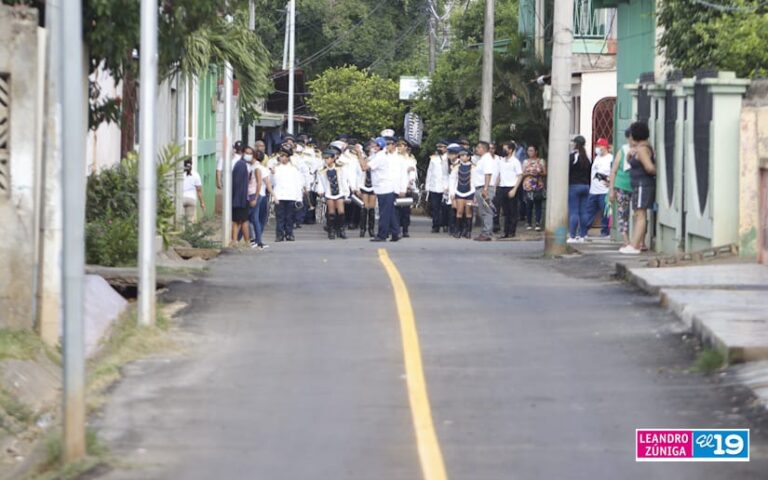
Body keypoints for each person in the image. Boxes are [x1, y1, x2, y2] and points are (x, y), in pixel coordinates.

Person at [620, 121, 656, 255]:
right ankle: (636, 244)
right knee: (638, 214)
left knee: (640, 215)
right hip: (638, 184)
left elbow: (649, 167)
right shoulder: (640, 148)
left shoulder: (642, 150)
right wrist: (630, 156)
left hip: (642, 184)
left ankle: (635, 245)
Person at [358, 130, 401, 242]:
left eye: (375, 145)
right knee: (390, 212)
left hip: (384, 187)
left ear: (379, 146)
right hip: (383, 187)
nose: (372, 146)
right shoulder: (377, 156)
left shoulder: (380, 157)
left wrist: (359, 154)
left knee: (384, 213)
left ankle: (382, 234)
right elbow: (367, 161)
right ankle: (395, 232)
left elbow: (364, 167)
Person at [316, 149, 351, 240]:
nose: (326, 160)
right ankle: (331, 231)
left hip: (340, 192)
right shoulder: (321, 170)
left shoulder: (341, 168)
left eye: (328, 158)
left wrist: (347, 193)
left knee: (341, 212)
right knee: (331, 213)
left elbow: (344, 180)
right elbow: (320, 182)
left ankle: (341, 230)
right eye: (325, 159)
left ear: (333, 158)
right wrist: (320, 190)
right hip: (329, 192)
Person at [584, 137, 613, 239]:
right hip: (593, 190)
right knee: (589, 211)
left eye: (599, 146)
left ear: (604, 147)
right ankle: (583, 231)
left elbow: (613, 173)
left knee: (605, 213)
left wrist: (610, 183)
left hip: (604, 191)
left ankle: (606, 232)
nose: (597, 148)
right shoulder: (596, 158)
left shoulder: (610, 158)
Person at [271, 149, 303, 242]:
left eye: (284, 156)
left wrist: (299, 197)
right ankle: (279, 234)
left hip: (291, 195)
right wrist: (272, 174)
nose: (282, 158)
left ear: (288, 157)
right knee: (280, 216)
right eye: (281, 156)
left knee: (289, 217)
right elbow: (273, 183)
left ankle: (289, 234)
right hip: (279, 195)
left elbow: (298, 183)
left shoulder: (294, 169)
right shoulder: (276, 168)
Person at [609, 128, 633, 247]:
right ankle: (626, 240)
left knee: (639, 214)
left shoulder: (642, 149)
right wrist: (611, 189)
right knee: (622, 213)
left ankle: (637, 240)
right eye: (630, 137)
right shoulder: (623, 150)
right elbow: (613, 171)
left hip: (635, 185)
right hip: (622, 185)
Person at [567, 135, 591, 242]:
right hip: (586, 186)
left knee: (574, 212)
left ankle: (572, 235)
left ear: (576, 144)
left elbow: (567, 171)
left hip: (574, 186)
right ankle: (583, 235)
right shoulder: (587, 157)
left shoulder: (573, 157)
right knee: (584, 212)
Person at [472, 141, 498, 241]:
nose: (477, 149)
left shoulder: (487, 159)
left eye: (478, 147)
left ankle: (487, 233)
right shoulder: (482, 159)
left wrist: (485, 189)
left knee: (486, 211)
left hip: (484, 187)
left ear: (483, 148)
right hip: (480, 187)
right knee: (483, 211)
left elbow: (488, 174)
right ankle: (485, 231)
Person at [449, 148, 476, 239]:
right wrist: (452, 193)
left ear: (469, 157)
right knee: (459, 211)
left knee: (468, 212)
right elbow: (452, 180)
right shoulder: (456, 167)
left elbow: (475, 181)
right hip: (459, 192)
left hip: (470, 192)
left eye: (464, 155)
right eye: (461, 155)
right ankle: (458, 231)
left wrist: (475, 194)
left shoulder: (473, 167)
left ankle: (468, 231)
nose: (462, 157)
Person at [497, 142, 522, 238]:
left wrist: (515, 189)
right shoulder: (502, 161)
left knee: (513, 211)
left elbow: (520, 175)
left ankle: (512, 231)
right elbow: (500, 174)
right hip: (502, 187)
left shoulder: (515, 161)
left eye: (505, 149)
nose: (503, 151)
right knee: (505, 211)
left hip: (512, 187)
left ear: (510, 150)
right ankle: (505, 232)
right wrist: (496, 186)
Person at [357, 139, 381, 237]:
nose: (372, 148)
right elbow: (360, 171)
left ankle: (371, 229)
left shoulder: (377, 157)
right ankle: (362, 229)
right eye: (371, 146)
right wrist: (360, 154)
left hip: (373, 185)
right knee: (364, 207)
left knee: (372, 207)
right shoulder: (363, 157)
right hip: (364, 184)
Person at [521, 145, 547, 231]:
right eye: (528, 151)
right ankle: (528, 222)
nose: (530, 152)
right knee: (528, 204)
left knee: (538, 205)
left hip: (538, 185)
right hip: (528, 185)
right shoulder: (525, 162)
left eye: (531, 150)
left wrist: (538, 174)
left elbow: (545, 173)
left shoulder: (541, 161)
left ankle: (537, 222)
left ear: (536, 151)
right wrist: (528, 174)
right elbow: (522, 174)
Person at [426, 140, 449, 233]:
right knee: (435, 207)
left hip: (445, 187)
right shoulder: (433, 158)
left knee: (445, 208)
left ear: (446, 148)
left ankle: (445, 224)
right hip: (434, 186)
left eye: (442, 147)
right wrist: (427, 186)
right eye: (439, 147)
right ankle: (435, 225)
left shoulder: (449, 158)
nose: (440, 149)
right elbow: (429, 172)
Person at [395, 138, 417, 238]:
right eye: (398, 145)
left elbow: (412, 173)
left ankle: (405, 229)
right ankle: (396, 229)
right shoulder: (394, 158)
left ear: (406, 147)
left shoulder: (410, 159)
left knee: (406, 210)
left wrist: (409, 184)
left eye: (401, 146)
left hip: (407, 186)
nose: (399, 147)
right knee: (396, 209)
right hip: (396, 186)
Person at [231, 147, 251, 246]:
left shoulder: (243, 165)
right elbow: (237, 183)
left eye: (250, 153)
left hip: (240, 198)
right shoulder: (241, 165)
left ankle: (235, 241)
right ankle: (246, 242)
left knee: (237, 221)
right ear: (243, 153)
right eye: (247, 153)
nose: (249, 155)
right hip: (241, 199)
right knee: (243, 221)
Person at [246, 150, 266, 249]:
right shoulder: (252, 167)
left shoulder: (257, 168)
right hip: (250, 193)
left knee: (252, 218)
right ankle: (256, 240)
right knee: (253, 218)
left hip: (254, 194)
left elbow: (259, 183)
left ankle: (257, 240)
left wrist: (256, 197)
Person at [182, 158, 205, 222]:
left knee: (181, 221)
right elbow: (199, 191)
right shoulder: (196, 174)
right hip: (191, 200)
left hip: (181, 199)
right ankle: (189, 231)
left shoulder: (179, 174)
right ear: (191, 164)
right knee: (189, 222)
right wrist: (202, 203)